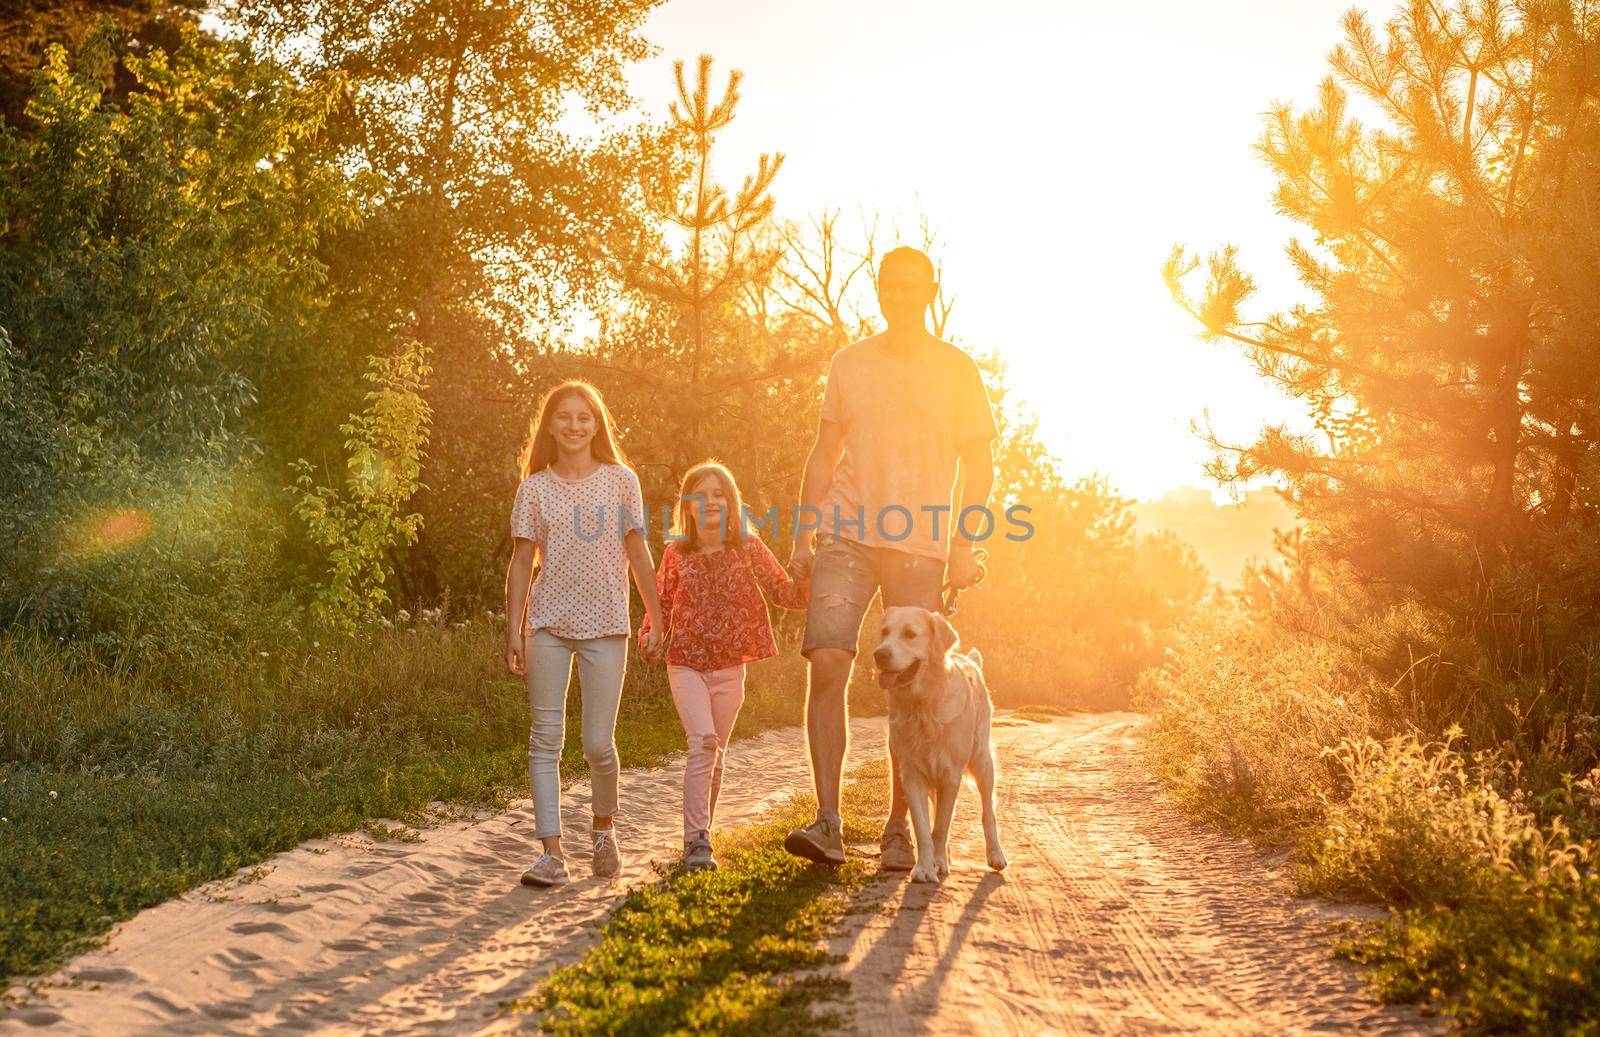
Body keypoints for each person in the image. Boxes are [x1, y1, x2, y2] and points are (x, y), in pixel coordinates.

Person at [783, 246, 998, 869]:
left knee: (913, 686)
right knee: (826, 664)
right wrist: (802, 535)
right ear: (877, 291)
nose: (900, 296)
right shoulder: (849, 364)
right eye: (890, 286)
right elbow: (824, 454)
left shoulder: (958, 370)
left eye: (912, 286)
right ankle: (828, 823)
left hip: (921, 542)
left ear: (930, 291)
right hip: (845, 531)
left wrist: (964, 544)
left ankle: (900, 829)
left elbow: (980, 466)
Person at [505, 379, 664, 888]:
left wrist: (657, 616)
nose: (574, 426)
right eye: (564, 417)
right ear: (549, 425)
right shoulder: (534, 487)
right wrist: (514, 626)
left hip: (607, 624)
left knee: (598, 744)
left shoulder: (621, 480)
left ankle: (602, 827)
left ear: (597, 426)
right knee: (544, 740)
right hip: (546, 623)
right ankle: (551, 854)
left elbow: (638, 551)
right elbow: (522, 560)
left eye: (584, 418)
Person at [638, 461, 809, 870]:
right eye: (702, 496)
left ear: (731, 504)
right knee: (703, 744)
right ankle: (696, 840)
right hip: (686, 663)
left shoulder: (748, 546)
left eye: (719, 495)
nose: (710, 502)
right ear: (688, 506)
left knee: (716, 750)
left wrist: (813, 575)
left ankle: (702, 835)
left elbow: (785, 593)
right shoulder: (676, 553)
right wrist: (650, 636)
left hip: (731, 666)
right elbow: (658, 605)